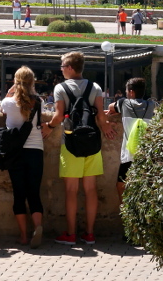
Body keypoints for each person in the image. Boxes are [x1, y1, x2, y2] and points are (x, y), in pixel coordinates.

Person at [48, 51, 114, 246]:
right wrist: (106, 127)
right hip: (92, 142)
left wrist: (49, 127)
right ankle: (90, 234)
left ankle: (70, 234)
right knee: (91, 189)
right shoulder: (95, 87)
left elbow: (59, 116)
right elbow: (100, 115)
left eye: (62, 66)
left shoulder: (60, 88)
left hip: (70, 142)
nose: (60, 70)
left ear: (70, 68)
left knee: (71, 190)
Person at [1, 66, 47, 248]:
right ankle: (38, 227)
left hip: (16, 152)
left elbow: (2, 107)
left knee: (19, 194)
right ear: (32, 82)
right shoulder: (39, 102)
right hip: (35, 150)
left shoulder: (9, 103)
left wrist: (11, 90)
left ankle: (23, 236)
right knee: (34, 193)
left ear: (15, 81)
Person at [107, 77, 157, 204]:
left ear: (131, 92)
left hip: (129, 154)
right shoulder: (151, 105)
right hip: (146, 155)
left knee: (120, 184)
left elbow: (110, 107)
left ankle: (125, 211)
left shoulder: (124, 103)